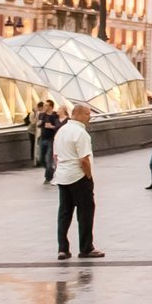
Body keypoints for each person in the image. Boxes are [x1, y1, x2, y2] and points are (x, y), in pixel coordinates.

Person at [53, 103, 102, 259]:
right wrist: (88, 176)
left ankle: (63, 248)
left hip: (62, 176)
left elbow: (55, 157)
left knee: (64, 214)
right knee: (85, 213)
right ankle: (86, 248)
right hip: (79, 177)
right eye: (88, 114)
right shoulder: (80, 133)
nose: (90, 117)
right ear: (79, 114)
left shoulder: (61, 131)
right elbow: (84, 160)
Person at [38, 102, 62, 183]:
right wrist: (39, 124)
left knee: (49, 159)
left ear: (51, 106)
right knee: (41, 159)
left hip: (51, 139)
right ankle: (51, 169)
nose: (44, 106)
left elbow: (58, 126)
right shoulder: (42, 115)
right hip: (42, 138)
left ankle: (48, 177)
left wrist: (52, 127)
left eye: (46, 105)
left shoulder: (55, 116)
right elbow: (39, 124)